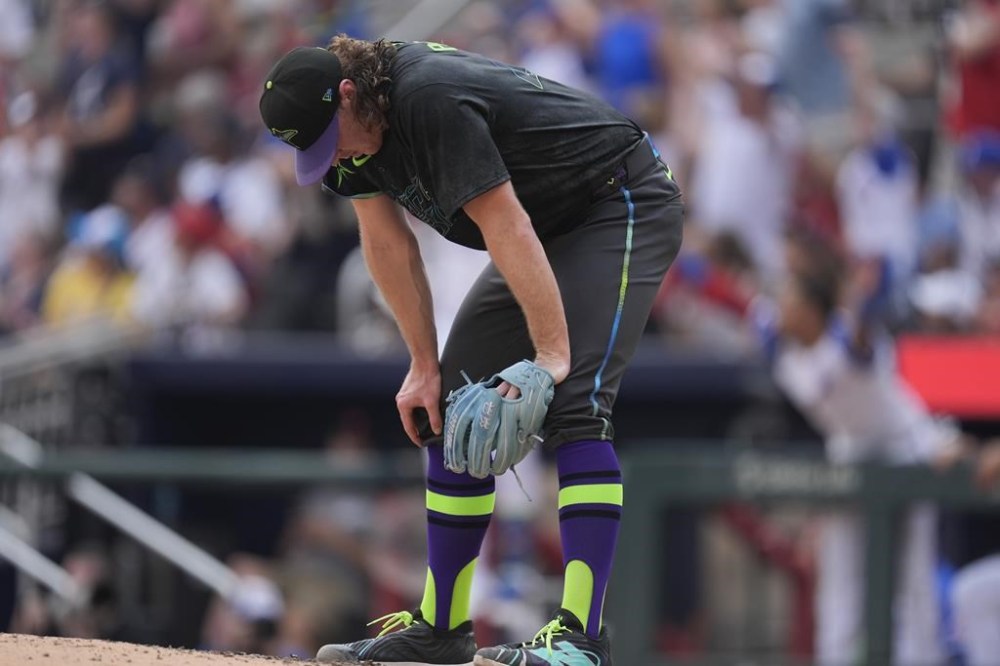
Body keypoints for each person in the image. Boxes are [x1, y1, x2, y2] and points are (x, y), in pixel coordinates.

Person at [259, 36, 683, 665]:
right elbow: (386, 243)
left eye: (330, 137)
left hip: (616, 201)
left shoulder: (426, 99)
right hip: (542, 224)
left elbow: (505, 224)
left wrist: (552, 355)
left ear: (348, 93)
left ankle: (581, 642)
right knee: (453, 406)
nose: (334, 155)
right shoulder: (350, 131)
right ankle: (443, 628)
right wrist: (423, 365)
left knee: (574, 403)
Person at [753, 246, 955, 666]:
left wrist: (863, 296)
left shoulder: (849, 334)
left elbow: (861, 337)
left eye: (789, 300)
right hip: (849, 450)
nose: (781, 308)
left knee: (912, 580)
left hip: (906, 446)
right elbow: (749, 305)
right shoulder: (782, 350)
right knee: (840, 579)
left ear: (812, 309)